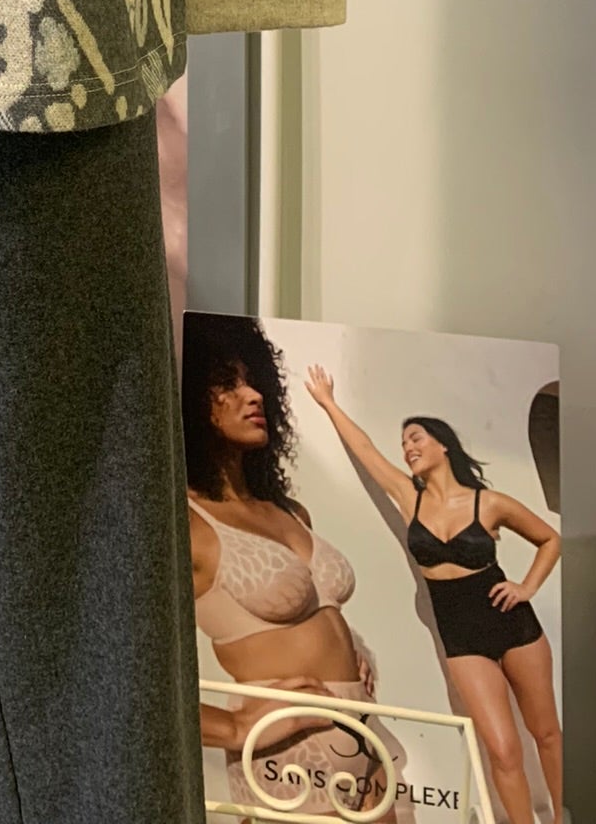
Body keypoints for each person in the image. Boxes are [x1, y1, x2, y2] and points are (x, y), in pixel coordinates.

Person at [307, 369, 562, 824]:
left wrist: (526, 587)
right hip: (462, 638)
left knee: (546, 735)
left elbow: (550, 539)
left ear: (443, 445)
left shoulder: (489, 502)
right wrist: (328, 403)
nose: (407, 447)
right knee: (502, 751)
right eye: (404, 442)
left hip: (515, 625)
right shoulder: (410, 497)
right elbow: (366, 450)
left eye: (416, 437)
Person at [183, 317, 413, 819]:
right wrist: (233, 727)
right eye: (227, 383)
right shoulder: (185, 523)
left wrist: (354, 647)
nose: (253, 395)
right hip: (290, 752)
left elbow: (315, 610)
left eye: (254, 380)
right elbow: (127, 675)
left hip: (368, 733)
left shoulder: (289, 512)